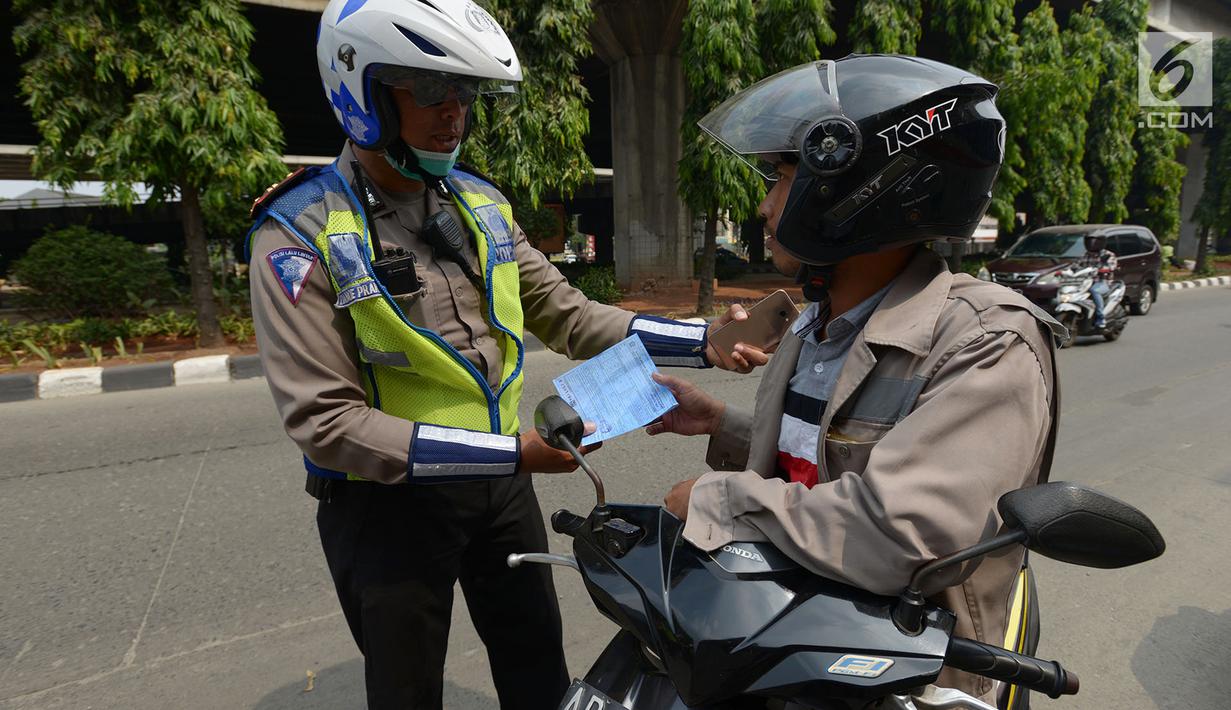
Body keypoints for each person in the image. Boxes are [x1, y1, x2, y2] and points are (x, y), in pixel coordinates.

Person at [245, 1, 756, 707]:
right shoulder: (298, 232)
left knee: (537, 672)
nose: (453, 111)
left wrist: (706, 339)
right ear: (359, 89)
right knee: (405, 691)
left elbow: (569, 315)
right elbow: (327, 426)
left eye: (465, 92)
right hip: (386, 507)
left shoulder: (481, 203)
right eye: (428, 89)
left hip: (500, 487)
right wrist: (514, 454)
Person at [647, 56, 1065, 708]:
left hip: (901, 676)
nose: (763, 205)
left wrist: (716, 500)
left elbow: (902, 530)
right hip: (780, 630)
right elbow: (830, 462)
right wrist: (721, 424)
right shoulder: (818, 323)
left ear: (859, 194)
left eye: (782, 178)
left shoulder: (986, 341)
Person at [1078, 234, 1118, 327]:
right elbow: (1076, 266)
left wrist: (1104, 269)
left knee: (1094, 290)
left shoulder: (1108, 255)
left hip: (1103, 282)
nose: (1092, 244)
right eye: (1090, 241)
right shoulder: (1086, 255)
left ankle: (1101, 318)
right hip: (1085, 282)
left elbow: (1112, 266)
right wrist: (1066, 271)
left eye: (1095, 241)